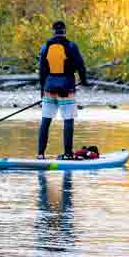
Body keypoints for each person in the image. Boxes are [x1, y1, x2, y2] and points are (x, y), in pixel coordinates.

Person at [37, 21, 89, 159]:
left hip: (48, 89)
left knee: (45, 120)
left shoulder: (45, 47)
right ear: (65, 31)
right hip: (67, 90)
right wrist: (84, 81)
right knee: (68, 120)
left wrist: (42, 91)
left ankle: (40, 154)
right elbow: (81, 66)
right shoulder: (71, 46)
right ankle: (67, 154)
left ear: (53, 32)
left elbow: (42, 72)